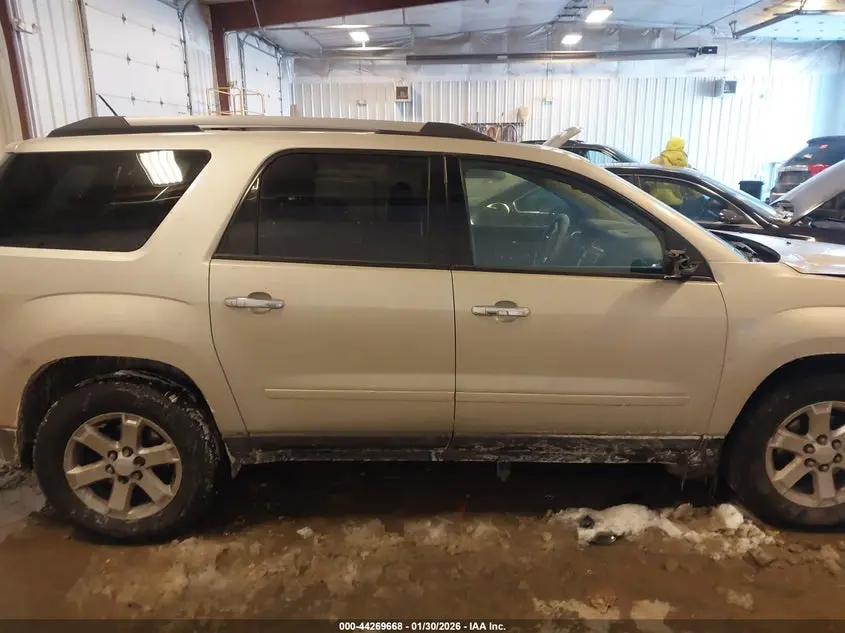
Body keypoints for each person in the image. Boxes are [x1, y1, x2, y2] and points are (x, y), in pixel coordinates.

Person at [648, 137, 692, 207]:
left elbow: (647, 181)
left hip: (656, 203)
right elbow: (691, 188)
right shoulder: (686, 165)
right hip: (676, 206)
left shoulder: (657, 161)